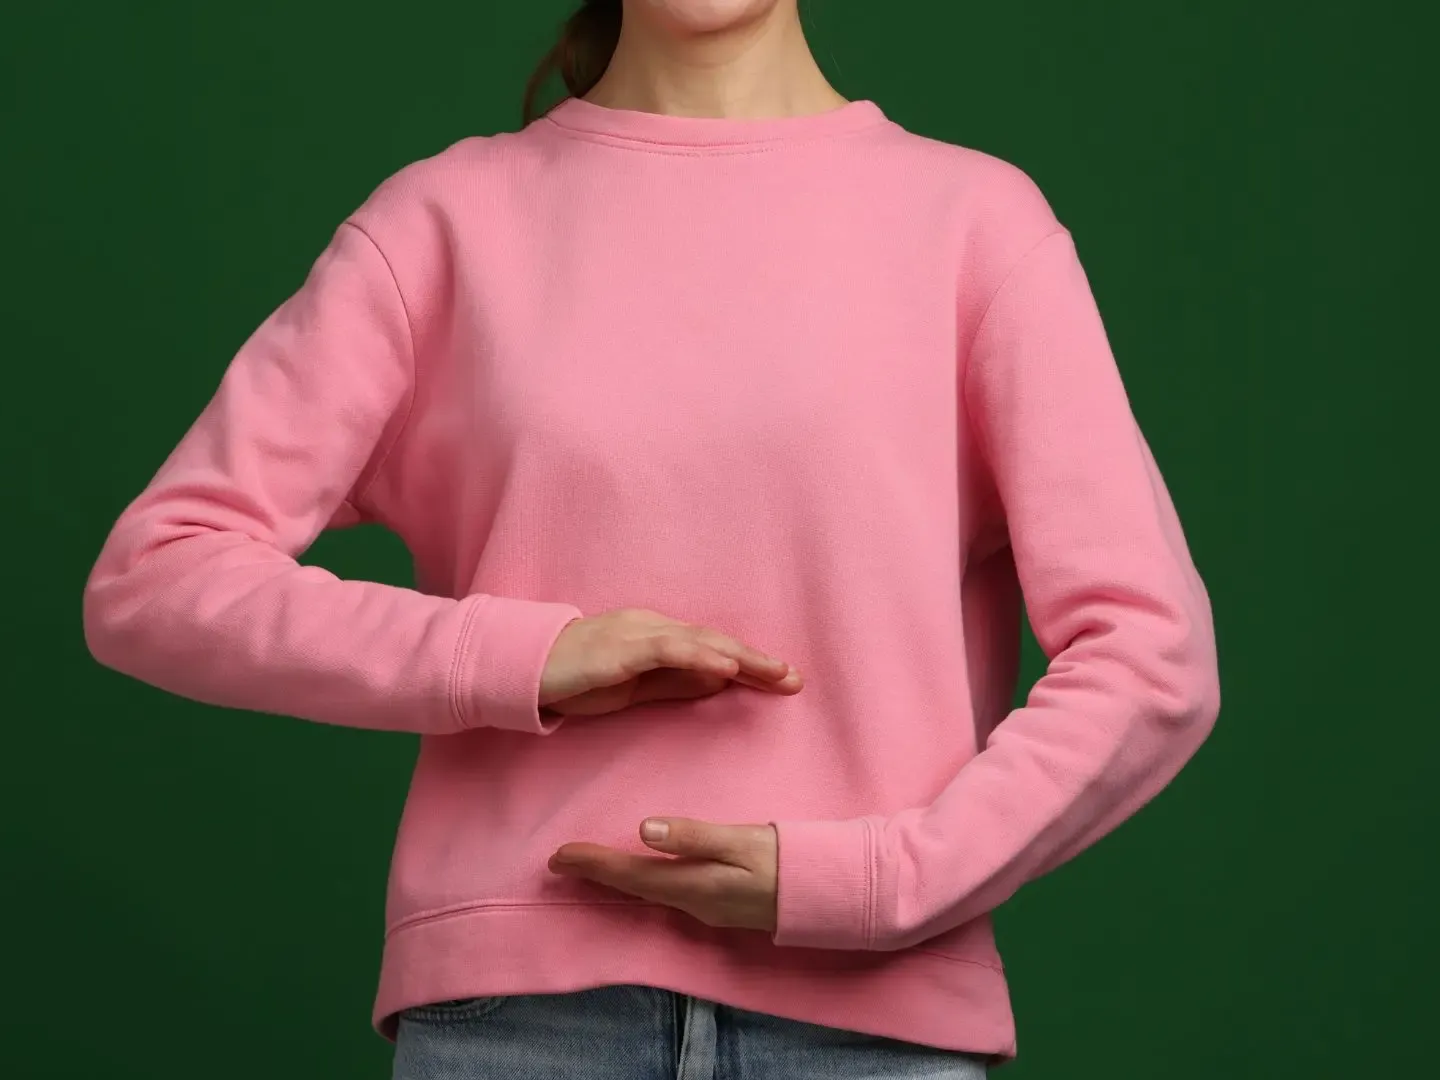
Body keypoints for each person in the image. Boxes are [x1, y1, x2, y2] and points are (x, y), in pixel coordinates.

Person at [82, 0, 1222, 1076]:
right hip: (516, 1027)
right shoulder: (445, 222)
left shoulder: (973, 225)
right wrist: (512, 657)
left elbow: (1149, 655)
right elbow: (159, 575)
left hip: (874, 1028)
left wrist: (882, 880)